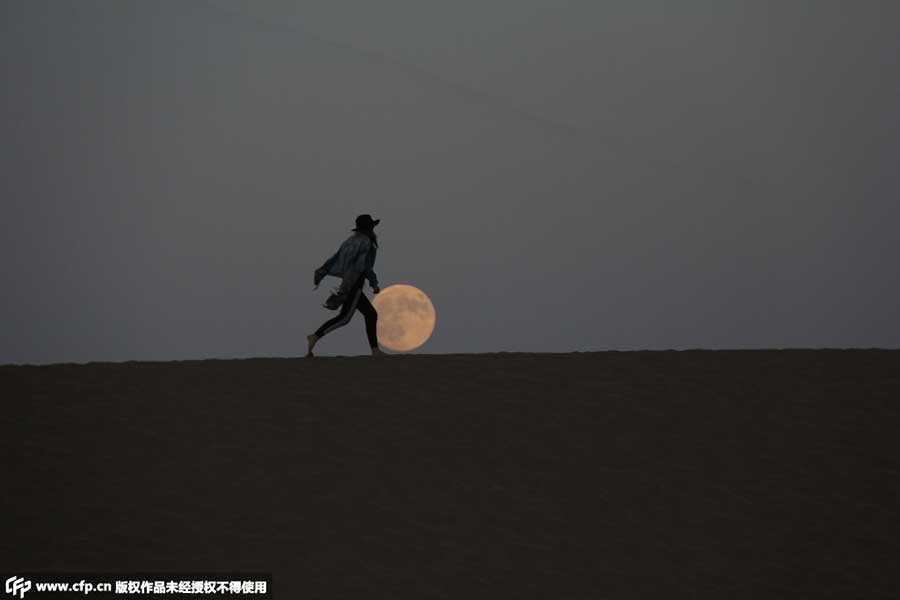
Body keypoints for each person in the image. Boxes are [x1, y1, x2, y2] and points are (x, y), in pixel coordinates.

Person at [306, 214, 385, 357]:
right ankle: (315, 336)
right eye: (372, 227)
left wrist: (321, 272)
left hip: (350, 281)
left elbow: (335, 258)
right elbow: (365, 267)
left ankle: (375, 350)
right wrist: (374, 284)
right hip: (354, 283)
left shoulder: (350, 242)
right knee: (345, 317)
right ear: (369, 228)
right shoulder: (366, 243)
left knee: (371, 314)